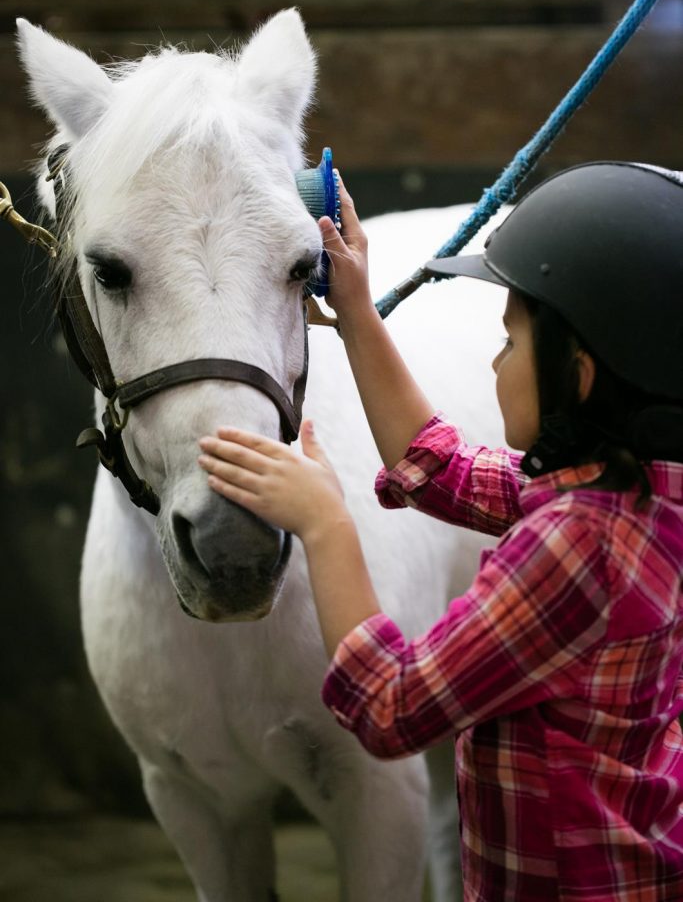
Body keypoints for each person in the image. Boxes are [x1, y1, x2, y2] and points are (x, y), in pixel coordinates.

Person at [197, 162, 683, 901]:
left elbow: (391, 707)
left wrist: (325, 524)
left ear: (578, 375)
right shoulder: (640, 490)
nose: (494, 361)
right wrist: (356, 314)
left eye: (510, 343)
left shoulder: (572, 548)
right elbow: (439, 467)